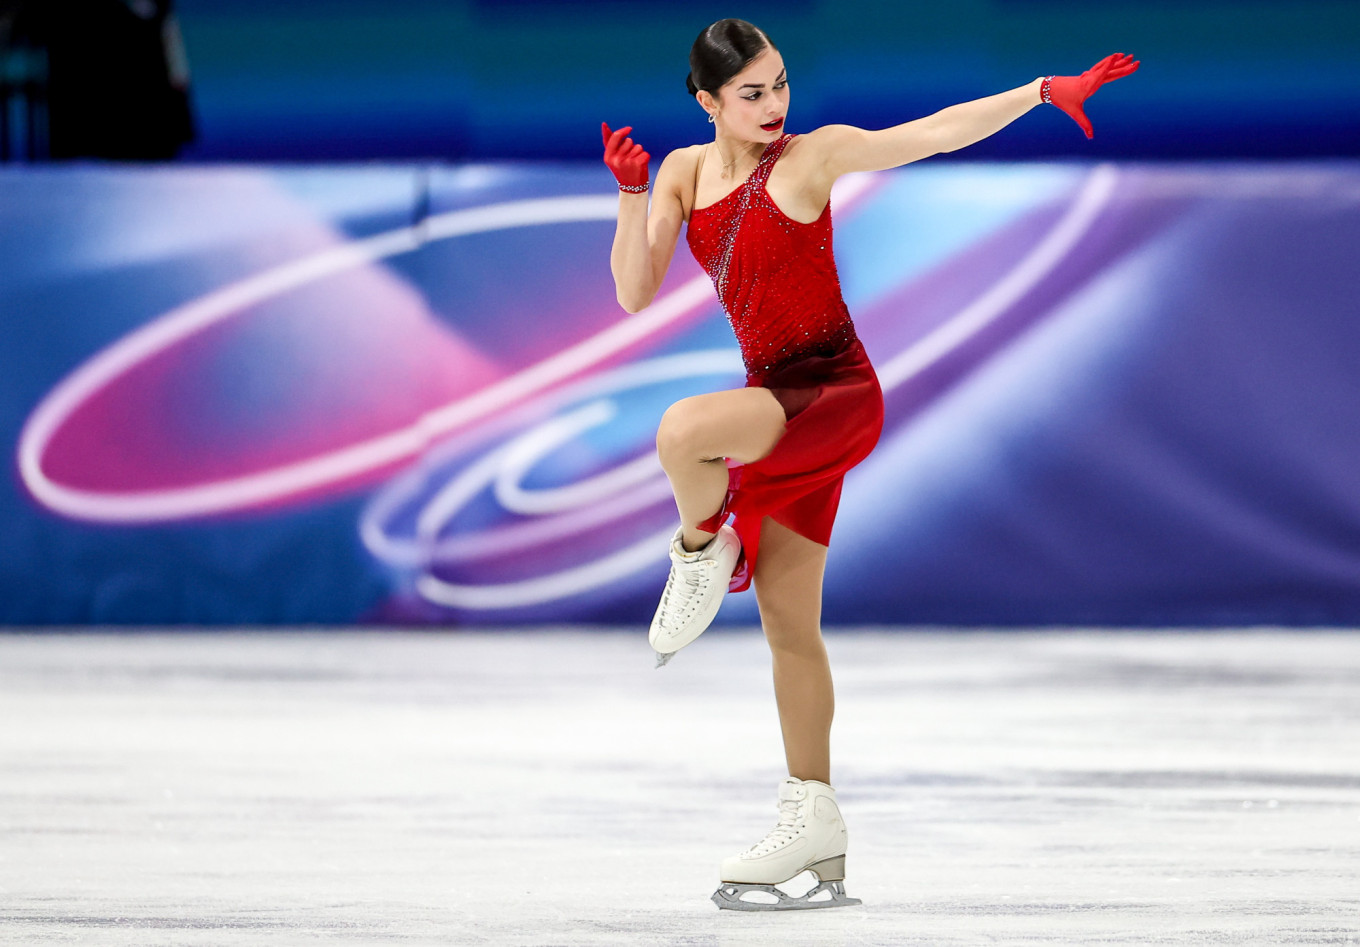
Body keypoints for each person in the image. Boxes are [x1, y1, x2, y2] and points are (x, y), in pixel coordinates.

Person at [602, 18, 1138, 911]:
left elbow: (931, 132)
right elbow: (633, 290)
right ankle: (815, 819)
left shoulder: (811, 159)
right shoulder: (684, 174)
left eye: (779, 82)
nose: (775, 104)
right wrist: (629, 195)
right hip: (774, 396)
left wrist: (1042, 90)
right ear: (708, 103)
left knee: (681, 429)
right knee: (789, 625)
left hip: (835, 395)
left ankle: (701, 549)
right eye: (752, 93)